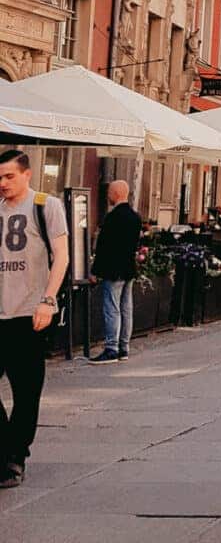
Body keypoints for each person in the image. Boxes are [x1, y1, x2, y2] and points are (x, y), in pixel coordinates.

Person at [0, 148, 68, 489]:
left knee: (26, 392)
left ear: (27, 173)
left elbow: (63, 256)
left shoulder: (46, 205)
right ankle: (5, 446)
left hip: (30, 313)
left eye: (9, 176)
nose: (3, 183)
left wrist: (48, 299)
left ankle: (15, 457)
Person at [88, 179, 141, 364]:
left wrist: (95, 270)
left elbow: (104, 247)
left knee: (112, 308)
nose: (108, 195)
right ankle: (124, 347)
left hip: (113, 270)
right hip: (128, 268)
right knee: (126, 308)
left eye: (110, 192)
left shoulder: (112, 217)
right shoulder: (135, 217)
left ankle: (111, 348)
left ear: (116, 193)